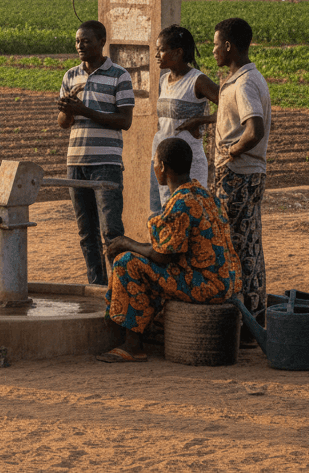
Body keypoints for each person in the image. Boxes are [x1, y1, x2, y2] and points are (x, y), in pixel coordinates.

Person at [98, 137, 240, 363]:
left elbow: (161, 256)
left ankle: (133, 345)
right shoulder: (204, 195)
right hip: (225, 280)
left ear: (162, 166)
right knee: (145, 264)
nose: (154, 167)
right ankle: (151, 328)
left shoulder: (181, 203)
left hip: (208, 286)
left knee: (127, 262)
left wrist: (126, 243)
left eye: (155, 162)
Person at [56, 19, 133, 286]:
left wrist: (84, 110)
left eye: (86, 41)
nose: (80, 45)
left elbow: (124, 121)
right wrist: (67, 110)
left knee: (111, 231)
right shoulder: (70, 75)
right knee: (85, 232)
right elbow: (64, 123)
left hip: (106, 164)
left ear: (102, 42)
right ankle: (97, 286)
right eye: (77, 41)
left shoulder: (120, 75)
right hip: (76, 162)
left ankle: (121, 287)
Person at [210, 17, 271, 338]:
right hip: (246, 173)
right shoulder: (245, 78)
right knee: (247, 244)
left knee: (235, 247)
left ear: (229, 46)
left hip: (237, 174)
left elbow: (254, 128)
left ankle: (245, 324)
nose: (214, 50)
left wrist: (231, 152)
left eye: (216, 44)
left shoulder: (245, 83)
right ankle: (253, 319)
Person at [149, 25, 219, 213]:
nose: (157, 55)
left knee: (188, 214)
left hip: (186, 165)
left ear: (178, 52)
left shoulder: (197, 80)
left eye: (161, 50)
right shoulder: (164, 80)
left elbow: (231, 106)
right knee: (161, 214)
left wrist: (201, 121)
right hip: (161, 159)